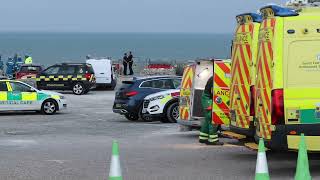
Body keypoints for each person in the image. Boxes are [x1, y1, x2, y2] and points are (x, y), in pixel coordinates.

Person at [199, 76, 224, 145]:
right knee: (212, 119)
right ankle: (213, 140)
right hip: (208, 99)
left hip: (207, 98)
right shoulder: (216, 78)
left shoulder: (214, 76)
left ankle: (203, 138)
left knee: (207, 120)